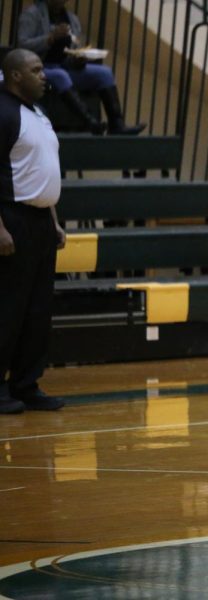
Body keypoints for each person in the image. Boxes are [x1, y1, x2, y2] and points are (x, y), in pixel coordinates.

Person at [0, 49, 66, 415]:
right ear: (15, 76)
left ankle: (26, 385)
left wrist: (53, 219)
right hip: (13, 221)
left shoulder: (38, 114)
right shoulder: (3, 113)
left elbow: (42, 169)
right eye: (36, 70)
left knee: (37, 311)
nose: (44, 75)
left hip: (41, 223)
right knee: (8, 309)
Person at [17, 0, 145, 134]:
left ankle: (117, 125)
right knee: (60, 76)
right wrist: (50, 38)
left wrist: (78, 57)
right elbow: (23, 45)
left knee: (104, 73)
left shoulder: (72, 19)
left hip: (65, 66)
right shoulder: (31, 15)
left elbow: (74, 47)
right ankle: (91, 122)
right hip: (41, 68)